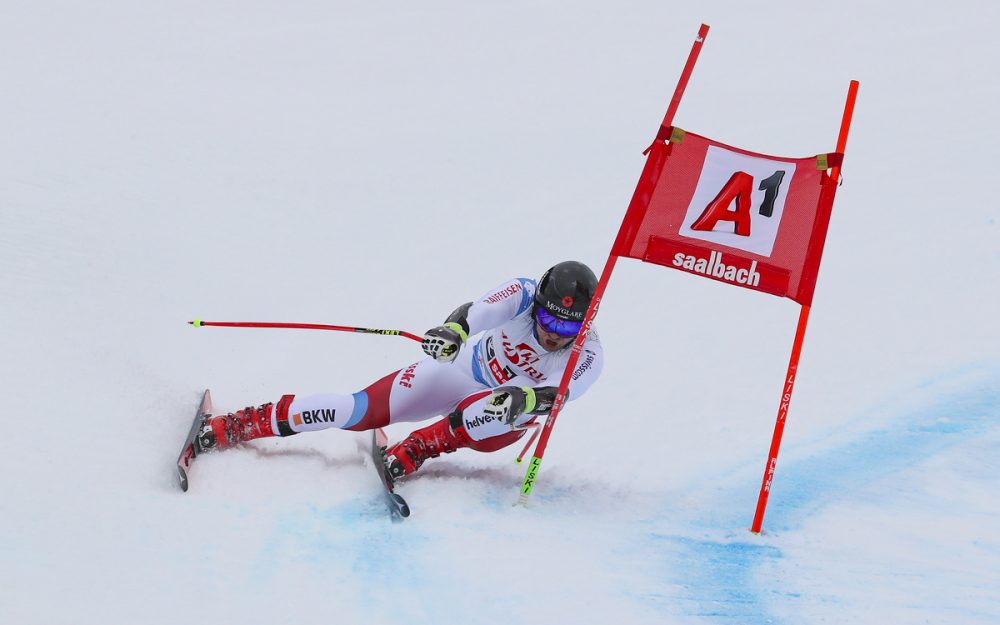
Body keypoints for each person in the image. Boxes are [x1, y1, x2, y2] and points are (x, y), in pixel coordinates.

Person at [196, 260, 605, 482]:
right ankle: (242, 424)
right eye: (548, 320)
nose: (553, 333)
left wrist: (528, 396)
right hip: (463, 371)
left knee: (504, 406)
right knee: (355, 411)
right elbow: (474, 313)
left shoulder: (589, 354)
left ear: (584, 322)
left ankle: (421, 446)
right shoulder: (523, 293)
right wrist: (453, 332)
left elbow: (557, 397)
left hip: (499, 420)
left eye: (567, 326)